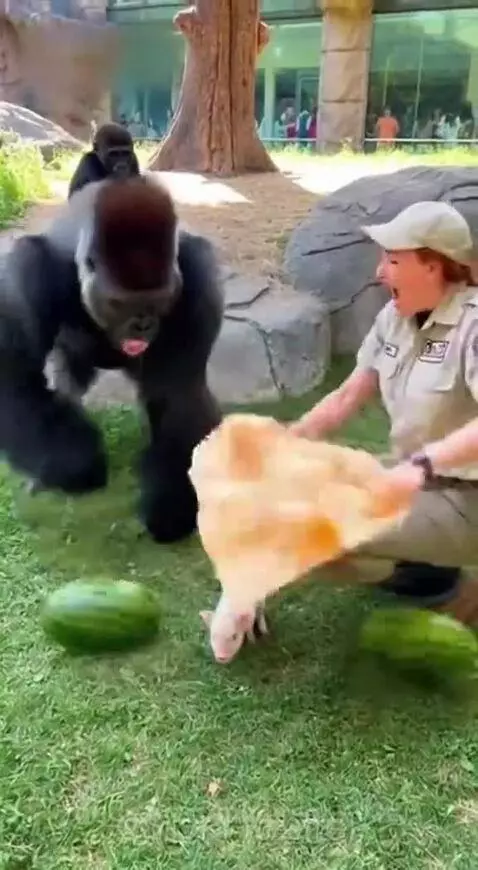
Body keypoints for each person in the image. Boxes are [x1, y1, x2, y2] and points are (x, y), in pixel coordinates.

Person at [291, 200, 478, 626]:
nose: (379, 272)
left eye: (393, 260)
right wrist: (284, 443)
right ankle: (426, 576)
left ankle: (463, 594)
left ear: (434, 266)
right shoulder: (394, 318)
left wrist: (425, 461)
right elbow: (346, 397)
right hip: (416, 483)